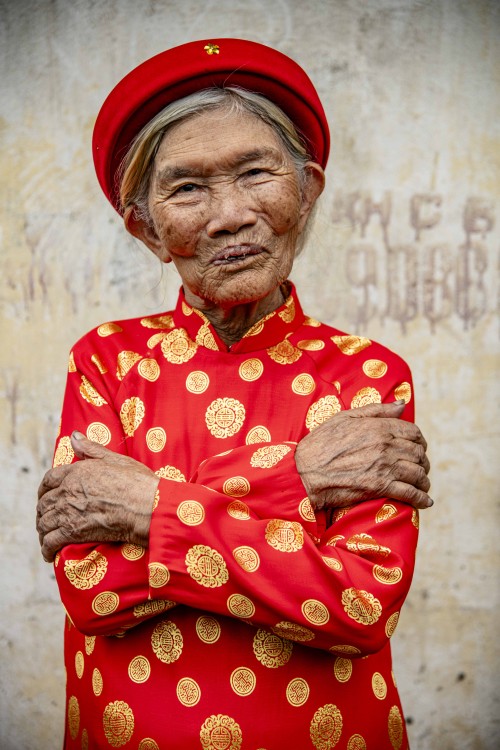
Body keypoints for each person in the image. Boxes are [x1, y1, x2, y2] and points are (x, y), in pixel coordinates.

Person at [36, 38, 432, 750]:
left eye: (257, 174)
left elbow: (361, 603)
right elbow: (91, 587)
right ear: (147, 229)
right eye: (187, 188)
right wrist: (297, 477)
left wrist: (144, 510)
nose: (229, 215)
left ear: (307, 189)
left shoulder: (366, 375)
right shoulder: (106, 360)